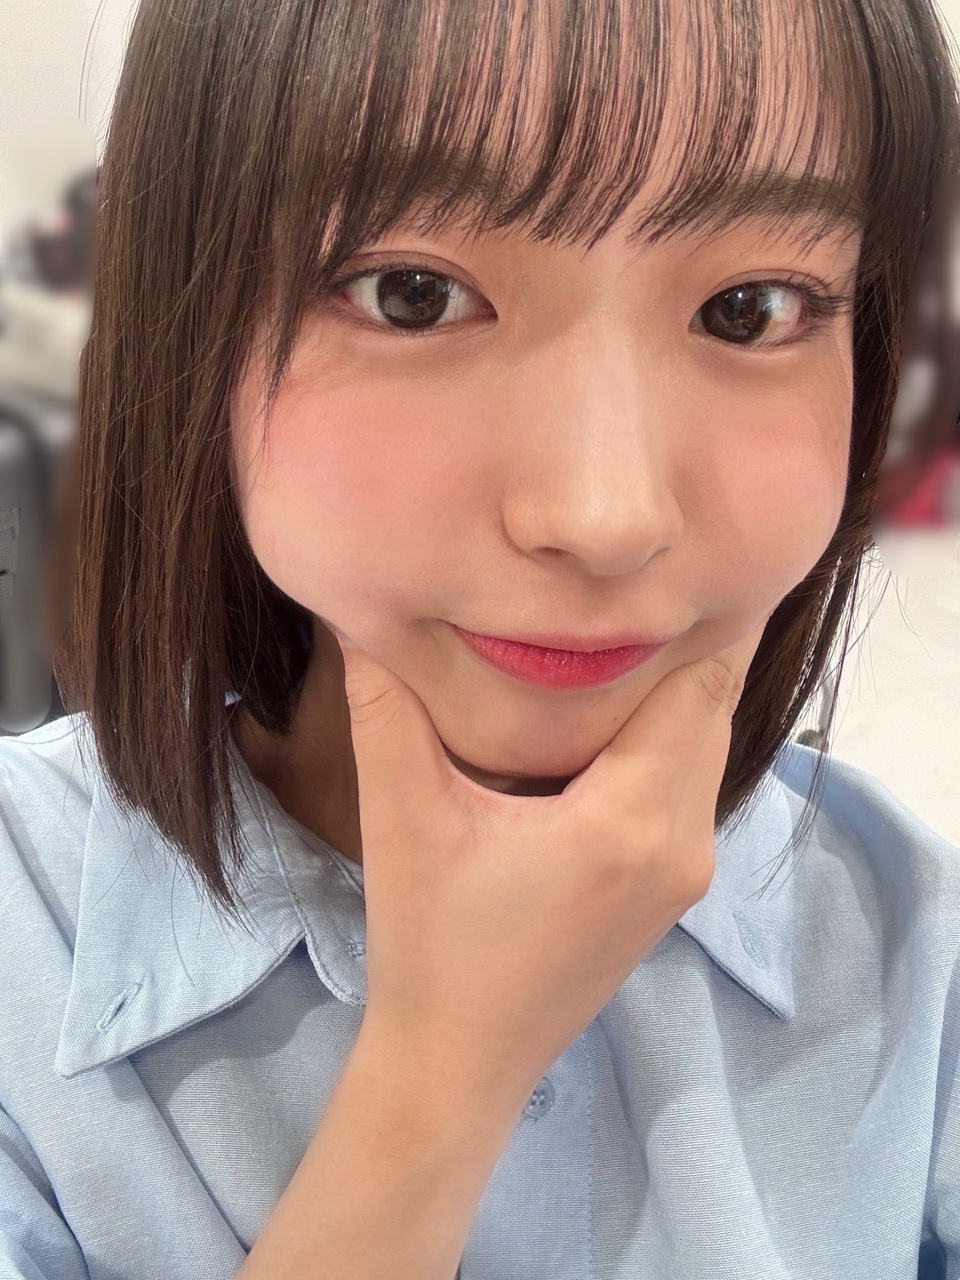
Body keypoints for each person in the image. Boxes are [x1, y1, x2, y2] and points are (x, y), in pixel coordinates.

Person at [2, 0, 959, 1276]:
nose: (605, 516)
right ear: (192, 317)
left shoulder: (914, 941)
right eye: (415, 296)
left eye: (749, 308)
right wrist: (444, 1067)